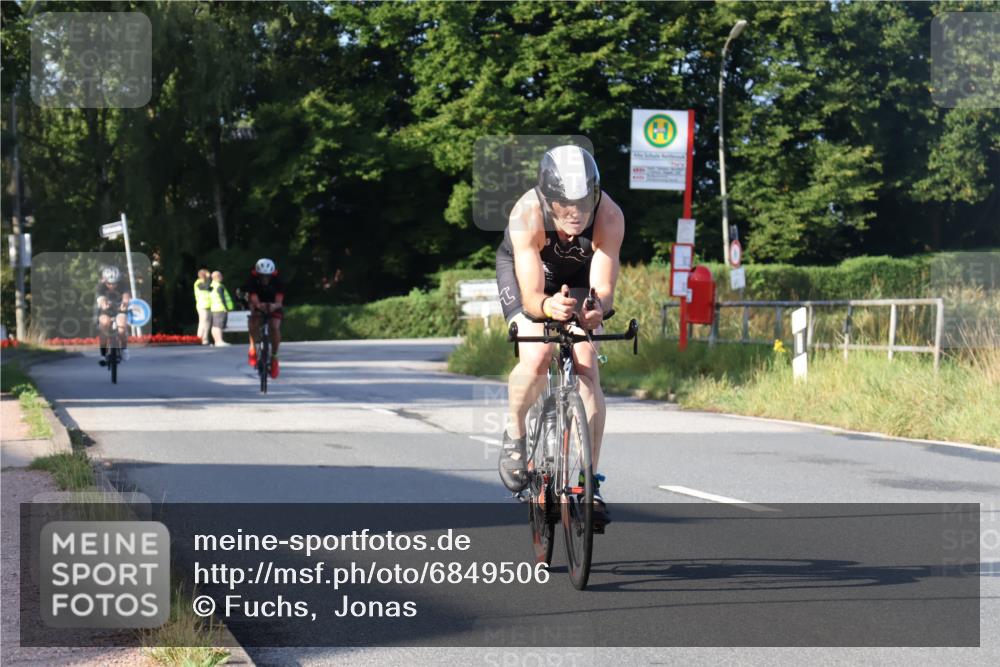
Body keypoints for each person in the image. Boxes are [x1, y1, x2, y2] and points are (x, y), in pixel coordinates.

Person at [494, 145, 624, 525]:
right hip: (530, 279)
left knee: (587, 368)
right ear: (548, 201)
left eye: (584, 204)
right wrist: (549, 308)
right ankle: (516, 432)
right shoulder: (527, 214)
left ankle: (589, 482)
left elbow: (603, 286)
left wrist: (595, 309)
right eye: (566, 206)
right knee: (536, 355)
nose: (576, 214)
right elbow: (534, 297)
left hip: (578, 280)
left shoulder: (610, 217)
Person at [243, 258, 285, 379]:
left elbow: (279, 300)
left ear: (272, 274)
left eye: (267, 277)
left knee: (274, 327)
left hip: (273, 302)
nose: (265, 279)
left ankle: (274, 357)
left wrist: (274, 306)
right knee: (254, 321)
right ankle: (252, 347)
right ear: (257, 274)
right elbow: (253, 297)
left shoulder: (278, 280)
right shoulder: (251, 279)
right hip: (258, 301)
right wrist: (258, 306)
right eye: (262, 276)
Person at [96, 265, 131, 363]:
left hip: (120, 308)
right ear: (104, 281)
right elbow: (101, 299)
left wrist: (124, 303)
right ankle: (102, 354)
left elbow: (126, 296)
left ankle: (124, 349)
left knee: (121, 328)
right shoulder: (100, 286)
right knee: (104, 325)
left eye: (114, 283)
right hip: (106, 308)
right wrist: (104, 305)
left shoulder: (123, 285)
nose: (112, 286)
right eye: (109, 283)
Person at [209, 270, 234, 347]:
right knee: (219, 326)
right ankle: (219, 341)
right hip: (220, 308)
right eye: (220, 275)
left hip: (214, 308)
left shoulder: (211, 286)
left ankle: (217, 341)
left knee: (214, 326)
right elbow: (222, 298)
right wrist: (225, 307)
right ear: (217, 277)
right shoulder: (219, 286)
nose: (222, 277)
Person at [194, 268, 212, 345]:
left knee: (207, 323)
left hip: (209, 305)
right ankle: (199, 338)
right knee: (202, 322)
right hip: (202, 305)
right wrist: (209, 278)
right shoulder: (198, 283)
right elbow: (206, 287)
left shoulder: (207, 282)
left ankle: (205, 339)